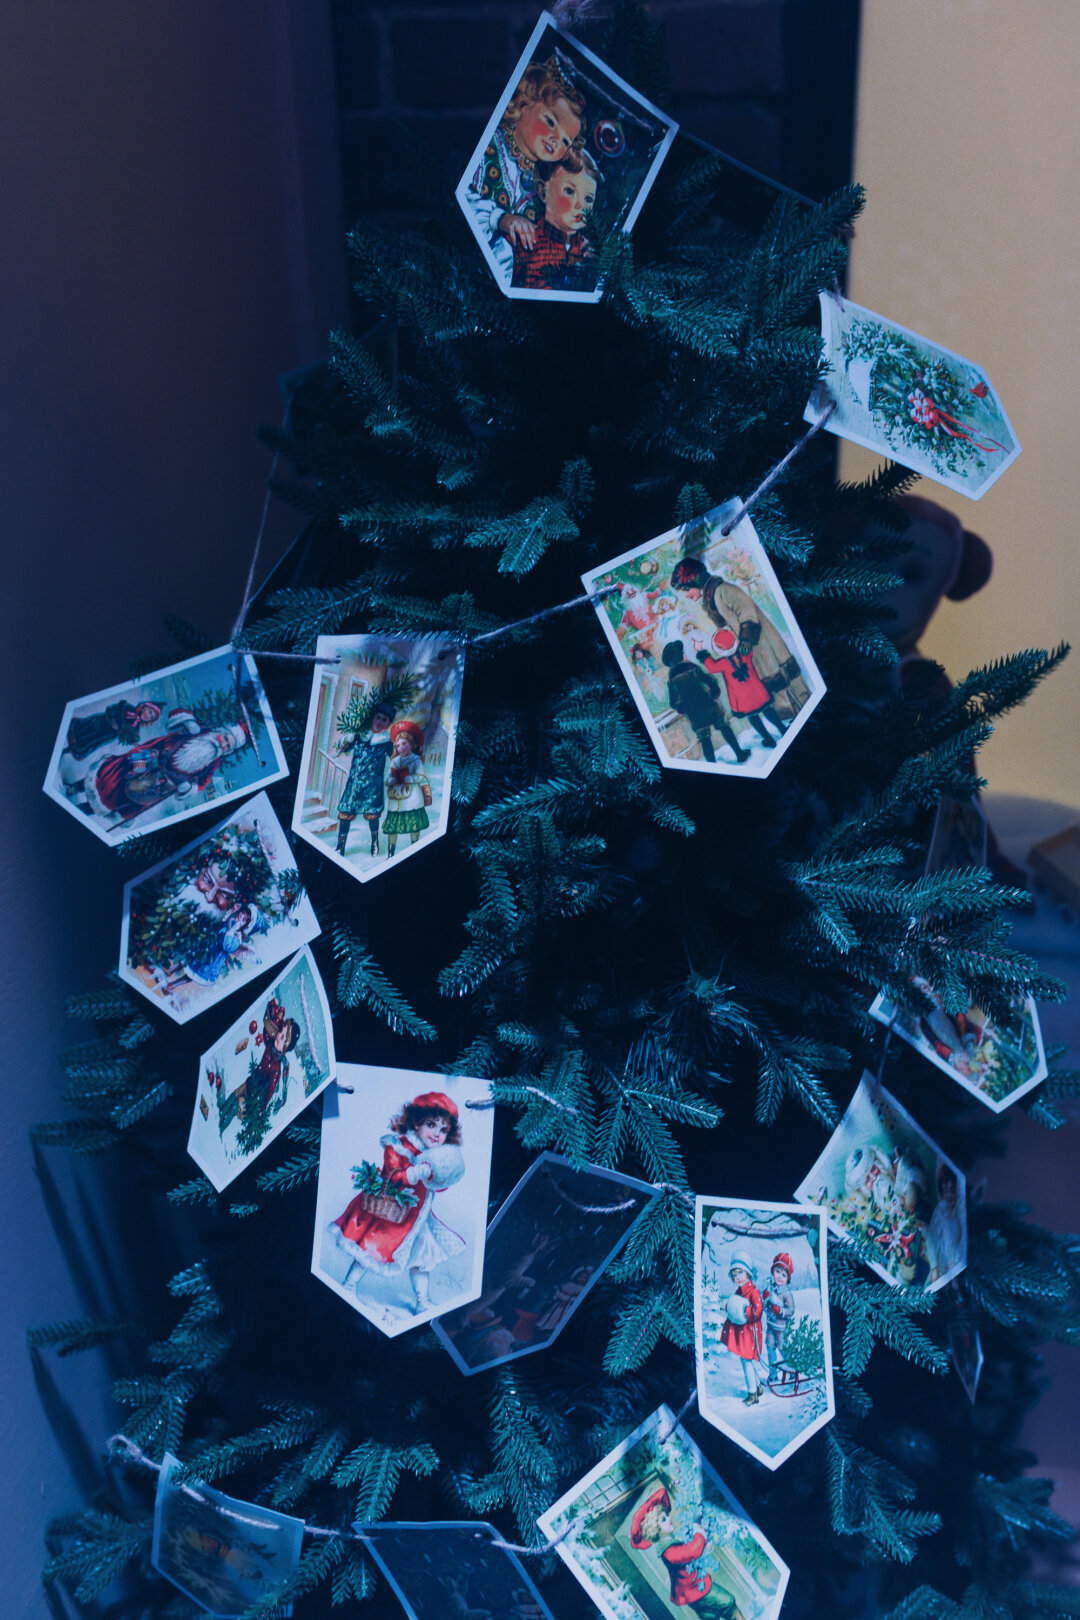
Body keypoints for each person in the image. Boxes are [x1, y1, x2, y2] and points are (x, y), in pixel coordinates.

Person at [330, 1091, 466, 1314]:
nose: (437, 1134)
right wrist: (414, 1173)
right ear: (416, 1122)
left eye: (443, 1130)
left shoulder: (437, 1155)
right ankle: (349, 1285)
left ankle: (422, 1301)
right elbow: (392, 1175)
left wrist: (440, 1176)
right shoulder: (398, 1146)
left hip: (419, 1217)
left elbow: (437, 1186)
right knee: (369, 1249)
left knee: (422, 1258)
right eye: (431, 1125)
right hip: (391, 1212)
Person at [466, 56, 585, 285]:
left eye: (565, 141)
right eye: (550, 122)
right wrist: (500, 219)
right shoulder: (490, 146)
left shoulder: (544, 182)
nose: (556, 140)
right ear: (525, 101)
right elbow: (466, 199)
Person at [670, 557, 809, 720]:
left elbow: (746, 610)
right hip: (749, 647)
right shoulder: (711, 598)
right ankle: (791, 715)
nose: (686, 595)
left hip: (760, 641)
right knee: (771, 681)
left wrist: (746, 638)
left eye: (687, 589)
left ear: (696, 581)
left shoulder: (723, 590)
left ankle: (805, 706)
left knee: (781, 674)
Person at [87, 710, 250, 825]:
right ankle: (84, 786)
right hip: (155, 756)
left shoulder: (214, 762)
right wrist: (188, 721)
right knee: (119, 772)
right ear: (221, 731)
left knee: (134, 797)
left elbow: (203, 783)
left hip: (164, 782)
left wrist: (190, 788)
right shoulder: (202, 730)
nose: (223, 745)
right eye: (225, 739)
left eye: (228, 747)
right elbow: (175, 715)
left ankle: (90, 811)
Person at [629, 1486, 742, 1620]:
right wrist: (698, 1531)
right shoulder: (668, 1552)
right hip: (695, 1591)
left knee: (709, 1616)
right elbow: (692, 1551)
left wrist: (704, 1545)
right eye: (663, 1520)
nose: (669, 1519)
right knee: (729, 1602)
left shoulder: (672, 1544)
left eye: (666, 1516)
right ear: (655, 1529)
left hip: (694, 1591)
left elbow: (689, 1558)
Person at [511, 150, 598, 293]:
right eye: (570, 191)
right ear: (544, 192)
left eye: (588, 199)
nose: (580, 206)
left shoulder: (588, 252)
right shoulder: (524, 240)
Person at [698, 627, 787, 750]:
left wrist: (704, 656)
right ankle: (782, 729)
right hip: (758, 692)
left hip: (743, 700)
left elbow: (712, 668)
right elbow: (746, 646)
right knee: (768, 710)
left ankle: (769, 739)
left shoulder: (722, 663)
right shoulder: (746, 653)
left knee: (753, 717)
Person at [661, 640, 749, 764]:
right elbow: (710, 680)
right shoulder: (693, 668)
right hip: (709, 706)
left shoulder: (671, 681)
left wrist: (684, 708)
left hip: (694, 715)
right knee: (724, 728)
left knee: (705, 740)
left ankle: (713, 768)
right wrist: (714, 692)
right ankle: (740, 754)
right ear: (681, 656)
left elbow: (673, 703)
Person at [334, 699, 396, 857]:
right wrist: (345, 739)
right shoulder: (360, 736)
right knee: (346, 814)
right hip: (354, 785)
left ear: (388, 723)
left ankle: (374, 842)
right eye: (378, 717)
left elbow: (396, 759)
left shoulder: (386, 742)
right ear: (373, 717)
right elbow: (341, 749)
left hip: (372, 787)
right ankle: (340, 846)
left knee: (372, 816)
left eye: (384, 720)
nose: (379, 722)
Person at [720, 1250, 765, 1404]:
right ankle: (757, 1387)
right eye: (734, 1274)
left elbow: (758, 1311)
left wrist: (745, 1311)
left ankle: (752, 1394)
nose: (737, 1277)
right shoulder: (739, 1291)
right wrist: (729, 1307)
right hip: (743, 1333)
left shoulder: (753, 1292)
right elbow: (735, 1304)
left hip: (750, 1334)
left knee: (746, 1362)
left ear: (748, 1273)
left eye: (740, 1273)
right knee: (746, 1361)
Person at [382, 720, 432, 857]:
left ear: (411, 743)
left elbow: (421, 776)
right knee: (393, 827)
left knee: (414, 824)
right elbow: (386, 778)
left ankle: (414, 849)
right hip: (397, 798)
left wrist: (413, 779)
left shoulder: (416, 759)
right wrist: (390, 780)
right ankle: (390, 853)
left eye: (404, 744)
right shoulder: (395, 761)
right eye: (398, 746)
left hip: (412, 798)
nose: (401, 748)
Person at [65, 698, 161, 760]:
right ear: (144, 707)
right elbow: (110, 709)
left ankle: (71, 749)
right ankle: (68, 741)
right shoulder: (127, 707)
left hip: (107, 735)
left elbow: (131, 738)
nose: (148, 716)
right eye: (149, 712)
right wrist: (112, 721)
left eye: (151, 717)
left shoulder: (136, 726)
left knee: (89, 742)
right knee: (84, 731)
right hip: (100, 722)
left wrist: (134, 743)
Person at [762, 1252, 796, 1380]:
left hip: (782, 1328)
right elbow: (764, 1307)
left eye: (784, 1275)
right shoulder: (771, 1289)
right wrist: (765, 1299)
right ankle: (773, 1374)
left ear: (788, 1278)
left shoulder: (786, 1293)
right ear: (773, 1272)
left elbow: (791, 1310)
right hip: (771, 1326)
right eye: (777, 1272)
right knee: (770, 1348)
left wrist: (781, 1311)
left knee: (783, 1349)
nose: (780, 1277)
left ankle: (792, 1371)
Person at [929, 1163, 964, 1280]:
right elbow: (931, 1239)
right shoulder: (939, 1212)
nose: (949, 1195)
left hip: (956, 1264)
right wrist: (934, 1268)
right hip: (941, 1267)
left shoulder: (959, 1213)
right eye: (946, 1191)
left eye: (953, 1191)